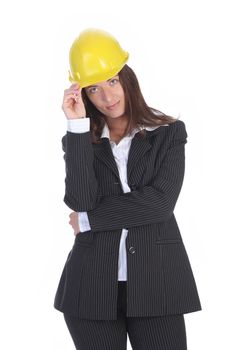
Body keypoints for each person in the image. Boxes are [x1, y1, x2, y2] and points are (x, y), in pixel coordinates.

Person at [53, 28, 202, 350]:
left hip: (157, 282)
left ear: (127, 79)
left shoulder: (169, 134)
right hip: (90, 287)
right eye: (94, 89)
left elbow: (160, 203)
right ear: (85, 95)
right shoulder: (80, 140)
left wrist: (90, 220)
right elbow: (80, 200)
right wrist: (76, 125)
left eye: (112, 82)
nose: (107, 97)